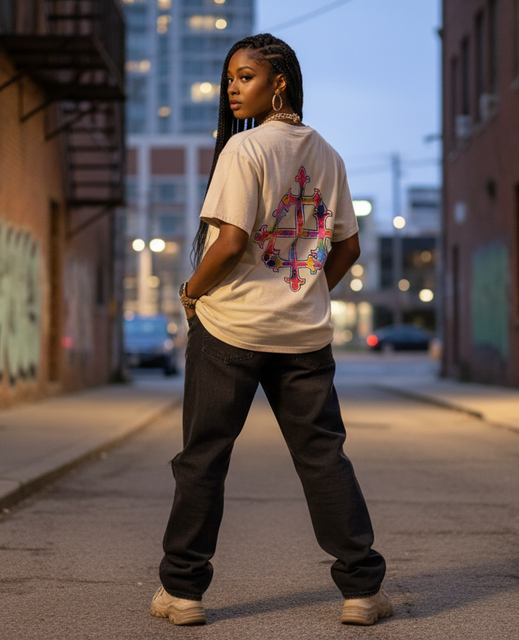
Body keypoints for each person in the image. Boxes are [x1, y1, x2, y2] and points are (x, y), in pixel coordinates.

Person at [150, 33, 391, 627]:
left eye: (246, 76)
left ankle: (182, 594)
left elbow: (230, 242)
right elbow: (349, 246)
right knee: (323, 458)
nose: (233, 88)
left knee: (203, 458)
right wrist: (306, 293)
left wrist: (191, 292)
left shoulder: (244, 150)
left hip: (230, 330)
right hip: (303, 337)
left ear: (278, 81)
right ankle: (362, 591)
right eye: (230, 77)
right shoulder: (328, 155)